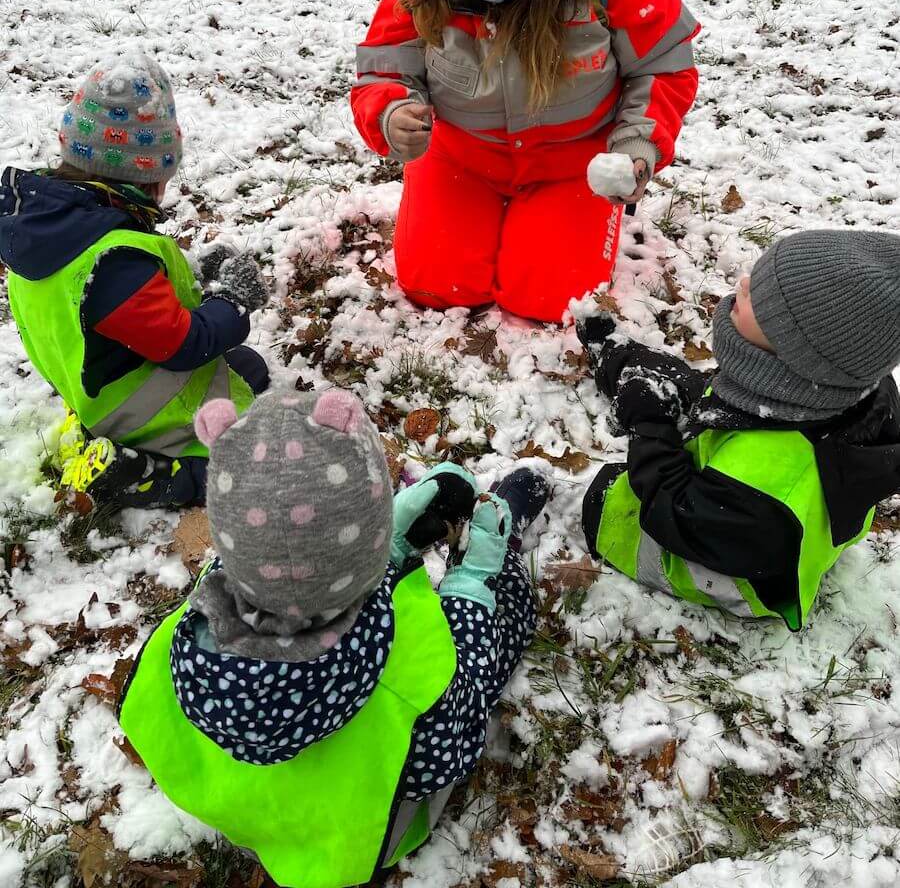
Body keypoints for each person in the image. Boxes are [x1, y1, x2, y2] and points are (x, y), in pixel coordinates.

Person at [118, 388, 550, 887]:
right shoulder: (408, 675)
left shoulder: (201, 609)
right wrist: (470, 584)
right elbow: (449, 746)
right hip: (354, 842)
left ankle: (394, 556)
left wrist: (376, 549)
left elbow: (293, 568)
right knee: (488, 632)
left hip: (223, 799)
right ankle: (498, 552)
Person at [352, 0, 699, 323]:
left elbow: (663, 67)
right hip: (462, 155)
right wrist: (392, 112)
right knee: (436, 285)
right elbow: (383, 66)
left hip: (570, 164)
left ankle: (550, 231)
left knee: (549, 300)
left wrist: (635, 146)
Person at [578, 228, 900, 630]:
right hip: (745, 515)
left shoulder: (768, 487)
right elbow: (721, 396)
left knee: (601, 501)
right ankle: (622, 361)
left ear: (799, 356)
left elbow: (674, 514)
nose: (744, 284)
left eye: (763, 303)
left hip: (727, 562)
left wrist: (649, 426)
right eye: (756, 276)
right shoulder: (841, 386)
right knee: (683, 390)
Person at [0, 52, 270, 508]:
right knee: (250, 463)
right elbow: (183, 345)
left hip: (98, 380)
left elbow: (127, 309)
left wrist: (198, 276)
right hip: (134, 407)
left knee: (249, 368)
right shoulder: (114, 261)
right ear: (146, 177)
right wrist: (233, 302)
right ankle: (150, 475)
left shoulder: (54, 228)